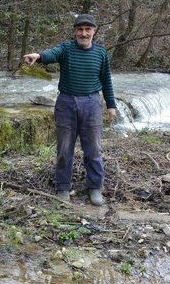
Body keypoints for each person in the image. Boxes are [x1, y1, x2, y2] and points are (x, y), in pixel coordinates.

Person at [23, 13, 116, 206]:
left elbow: (106, 80)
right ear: (75, 31)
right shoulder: (66, 48)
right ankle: (63, 187)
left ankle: (95, 188)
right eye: (80, 29)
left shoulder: (101, 53)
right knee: (64, 148)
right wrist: (38, 56)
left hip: (92, 104)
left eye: (87, 29)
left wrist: (111, 105)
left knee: (94, 149)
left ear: (94, 31)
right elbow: (52, 54)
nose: (84, 33)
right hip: (66, 103)